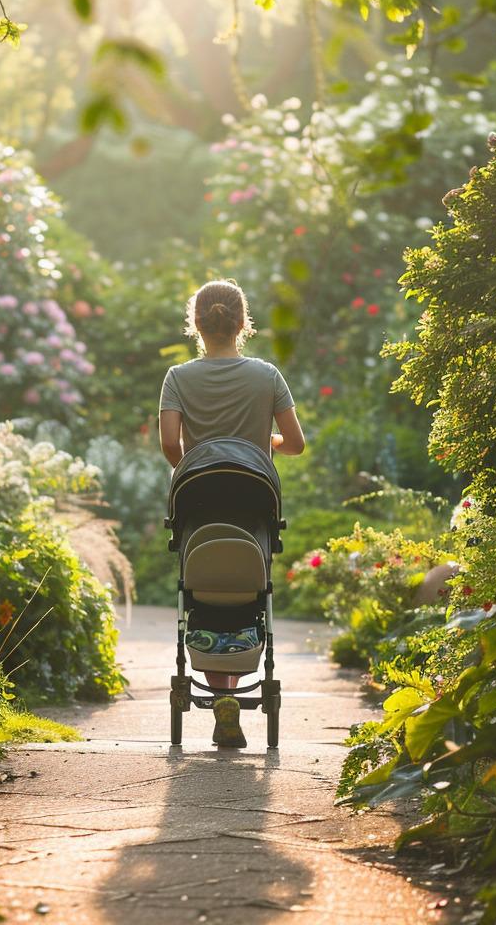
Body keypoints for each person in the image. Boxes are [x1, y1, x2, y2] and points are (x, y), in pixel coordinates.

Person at [158, 280, 305, 747]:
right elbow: (295, 443)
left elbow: (170, 446)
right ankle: (238, 688)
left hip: (199, 502)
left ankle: (218, 692)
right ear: (244, 323)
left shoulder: (178, 378)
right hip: (253, 503)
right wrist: (266, 443)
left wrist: (201, 459)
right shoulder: (267, 375)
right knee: (248, 592)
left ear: (195, 324)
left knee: (205, 588)